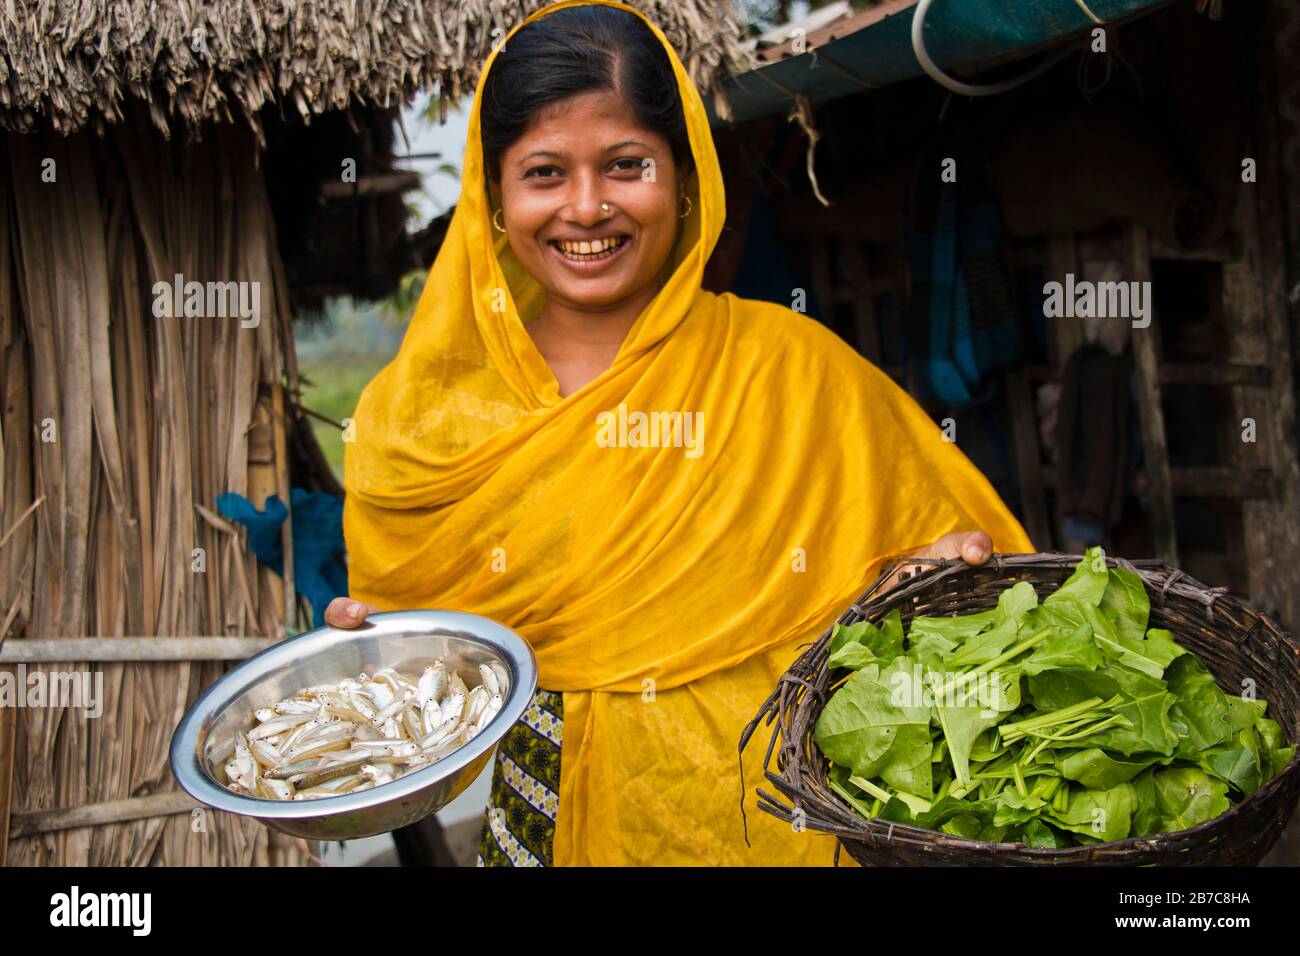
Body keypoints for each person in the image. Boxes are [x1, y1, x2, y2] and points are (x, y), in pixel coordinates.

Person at [328, 0, 1033, 866]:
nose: (586, 208)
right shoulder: (425, 419)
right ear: (495, 199)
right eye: (544, 172)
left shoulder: (790, 369)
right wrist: (371, 669)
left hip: (787, 832)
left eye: (626, 165)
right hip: (548, 835)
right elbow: (424, 676)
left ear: (686, 178)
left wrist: (925, 581)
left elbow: (954, 588)